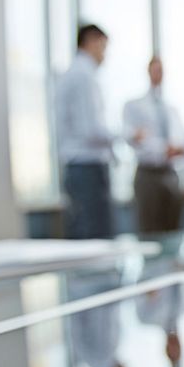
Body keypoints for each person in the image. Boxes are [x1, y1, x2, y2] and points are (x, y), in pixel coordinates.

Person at [55, 24, 115, 239]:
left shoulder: (75, 73)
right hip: (87, 167)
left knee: (86, 232)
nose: (104, 55)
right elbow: (91, 130)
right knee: (94, 238)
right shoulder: (83, 76)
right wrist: (127, 135)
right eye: (103, 47)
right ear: (91, 41)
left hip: (80, 167)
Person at [124, 57, 184, 233]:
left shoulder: (171, 108)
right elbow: (134, 138)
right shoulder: (134, 106)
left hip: (170, 173)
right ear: (148, 71)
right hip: (148, 175)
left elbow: (183, 140)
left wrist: (178, 148)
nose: (158, 74)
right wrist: (164, 149)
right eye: (155, 69)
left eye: (161, 70)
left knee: (174, 230)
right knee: (150, 231)